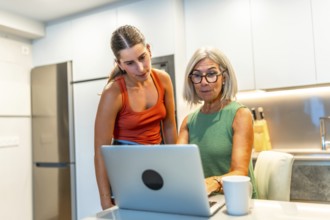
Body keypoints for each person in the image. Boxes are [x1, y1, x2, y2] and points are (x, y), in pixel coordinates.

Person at [94, 25, 178, 210]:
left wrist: (177, 170)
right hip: (125, 173)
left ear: (148, 49)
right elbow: (101, 151)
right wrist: (105, 200)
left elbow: (170, 127)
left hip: (158, 167)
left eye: (142, 58)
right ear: (119, 64)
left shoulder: (163, 80)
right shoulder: (113, 93)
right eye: (130, 63)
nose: (140, 68)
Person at [177, 46, 258, 198]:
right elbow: (177, 166)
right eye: (197, 76)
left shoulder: (240, 115)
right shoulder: (188, 122)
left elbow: (240, 172)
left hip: (237, 201)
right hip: (204, 201)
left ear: (224, 77)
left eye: (212, 74)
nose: (204, 82)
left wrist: (212, 183)